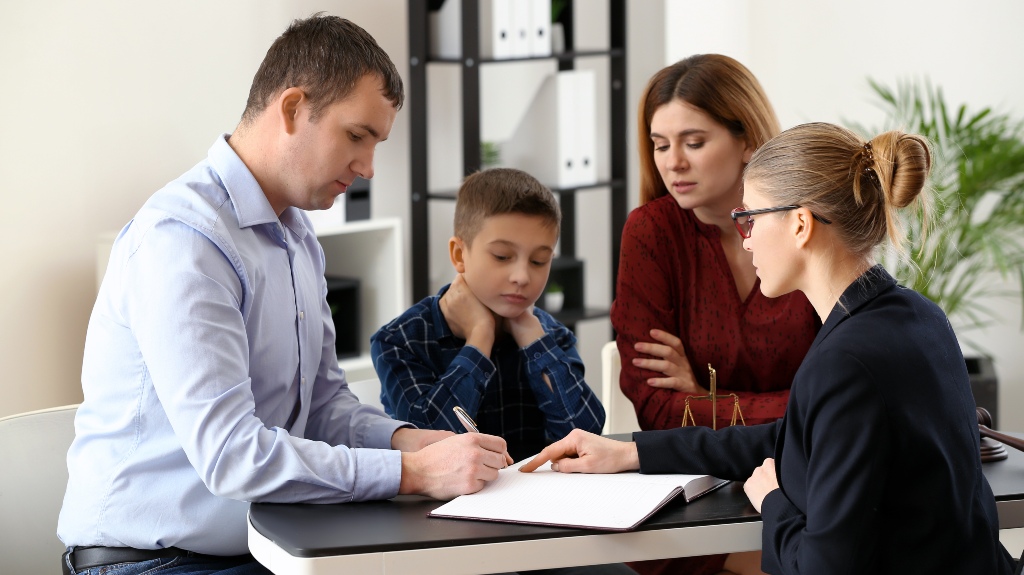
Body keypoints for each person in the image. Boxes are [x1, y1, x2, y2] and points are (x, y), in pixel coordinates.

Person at [57, 15, 512, 575]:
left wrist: (410, 442)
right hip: (151, 563)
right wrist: (411, 474)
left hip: (263, 546)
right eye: (356, 136)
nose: (368, 168)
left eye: (376, 144)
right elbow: (232, 458)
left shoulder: (295, 235)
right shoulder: (184, 244)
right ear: (293, 108)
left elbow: (321, 406)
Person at [523, 122, 1017, 575]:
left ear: (800, 224)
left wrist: (773, 501)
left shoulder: (844, 363)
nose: (747, 240)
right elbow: (794, 437)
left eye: (751, 218)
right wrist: (629, 451)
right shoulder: (919, 317)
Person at [612, 54, 818, 575]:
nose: (672, 163)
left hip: (810, 479)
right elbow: (658, 414)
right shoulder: (651, 233)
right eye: (660, 145)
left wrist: (705, 401)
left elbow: (841, 407)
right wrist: (795, 410)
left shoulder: (806, 226)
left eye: (694, 142)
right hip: (699, 494)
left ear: (747, 139)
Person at [371, 167, 606, 463]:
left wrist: (533, 340)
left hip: (536, 502)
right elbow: (430, 445)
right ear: (459, 255)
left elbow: (586, 436)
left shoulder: (550, 337)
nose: (521, 276)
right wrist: (480, 336)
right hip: (438, 507)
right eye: (502, 257)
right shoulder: (400, 341)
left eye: (538, 260)